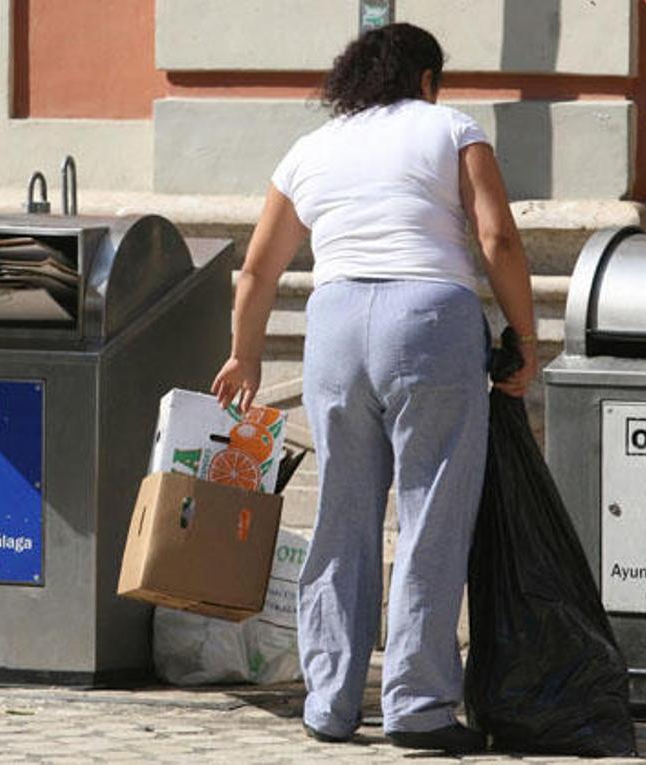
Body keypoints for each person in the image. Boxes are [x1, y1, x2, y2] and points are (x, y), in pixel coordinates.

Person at [210, 23, 536, 753]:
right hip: (429, 318)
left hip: (333, 325)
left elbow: (258, 269)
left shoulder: (311, 150)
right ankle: (417, 706)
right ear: (426, 79)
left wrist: (245, 356)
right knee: (431, 512)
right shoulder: (451, 127)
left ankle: (328, 703)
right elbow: (498, 240)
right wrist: (527, 337)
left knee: (343, 512)